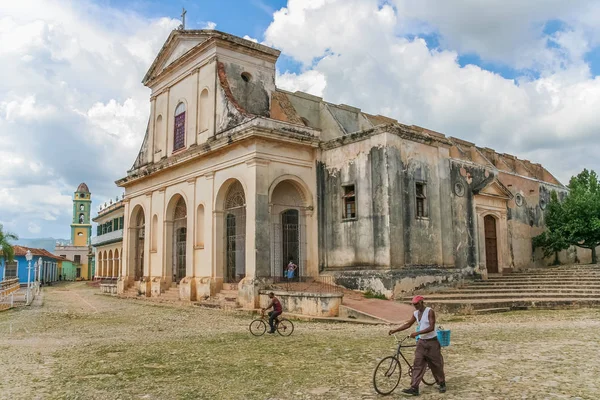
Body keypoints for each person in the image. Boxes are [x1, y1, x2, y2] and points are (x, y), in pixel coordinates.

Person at [388, 295, 446, 395]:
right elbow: (408, 324)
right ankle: (414, 387)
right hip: (421, 343)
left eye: (417, 304)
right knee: (417, 364)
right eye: (414, 305)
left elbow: (431, 327)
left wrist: (417, 333)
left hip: (432, 342)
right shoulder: (415, 313)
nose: (415, 306)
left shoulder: (429, 311)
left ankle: (442, 383)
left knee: (436, 365)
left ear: (422, 302)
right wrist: (394, 330)